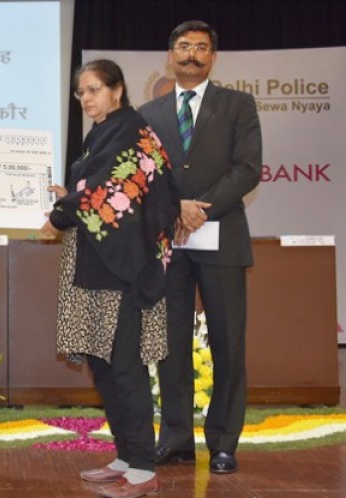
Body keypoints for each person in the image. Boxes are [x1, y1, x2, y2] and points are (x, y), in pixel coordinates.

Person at [42, 59, 178, 498]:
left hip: (125, 270)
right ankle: (125, 455)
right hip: (97, 264)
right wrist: (68, 199)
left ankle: (143, 468)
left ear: (117, 90)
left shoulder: (133, 131)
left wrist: (62, 212)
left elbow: (111, 192)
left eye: (94, 89)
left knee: (124, 367)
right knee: (102, 365)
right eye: (81, 91)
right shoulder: (100, 133)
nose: (86, 98)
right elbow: (92, 190)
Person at [139, 20, 261, 475]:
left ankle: (224, 443)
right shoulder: (148, 113)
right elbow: (143, 174)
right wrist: (176, 207)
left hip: (221, 237)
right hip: (169, 242)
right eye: (184, 46)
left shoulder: (238, 105)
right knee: (170, 345)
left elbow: (247, 169)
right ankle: (175, 439)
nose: (192, 54)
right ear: (171, 55)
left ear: (213, 57)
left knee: (228, 343)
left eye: (202, 47)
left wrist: (200, 210)